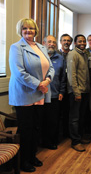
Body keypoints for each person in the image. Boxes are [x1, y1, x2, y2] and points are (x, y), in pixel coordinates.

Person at [9, 18, 54, 172]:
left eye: (32, 28)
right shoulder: (16, 47)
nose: (29, 31)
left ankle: (32, 156)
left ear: (36, 30)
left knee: (36, 127)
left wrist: (47, 81)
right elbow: (19, 73)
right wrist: (39, 84)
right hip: (24, 94)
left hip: (40, 93)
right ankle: (23, 160)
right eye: (25, 28)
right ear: (20, 30)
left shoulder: (41, 47)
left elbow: (51, 68)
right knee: (25, 129)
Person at [41, 35, 67, 150]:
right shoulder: (39, 56)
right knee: (41, 120)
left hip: (55, 94)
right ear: (44, 43)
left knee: (53, 120)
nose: (52, 44)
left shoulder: (60, 58)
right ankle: (41, 141)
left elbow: (63, 77)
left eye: (54, 42)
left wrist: (62, 91)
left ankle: (51, 141)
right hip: (40, 95)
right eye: (49, 42)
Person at [66, 34, 90, 152]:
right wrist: (76, 92)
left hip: (85, 91)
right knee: (75, 118)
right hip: (76, 92)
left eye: (84, 41)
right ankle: (75, 141)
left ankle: (79, 137)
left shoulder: (84, 54)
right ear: (75, 43)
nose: (82, 43)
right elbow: (72, 75)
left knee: (82, 116)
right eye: (80, 41)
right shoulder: (73, 54)